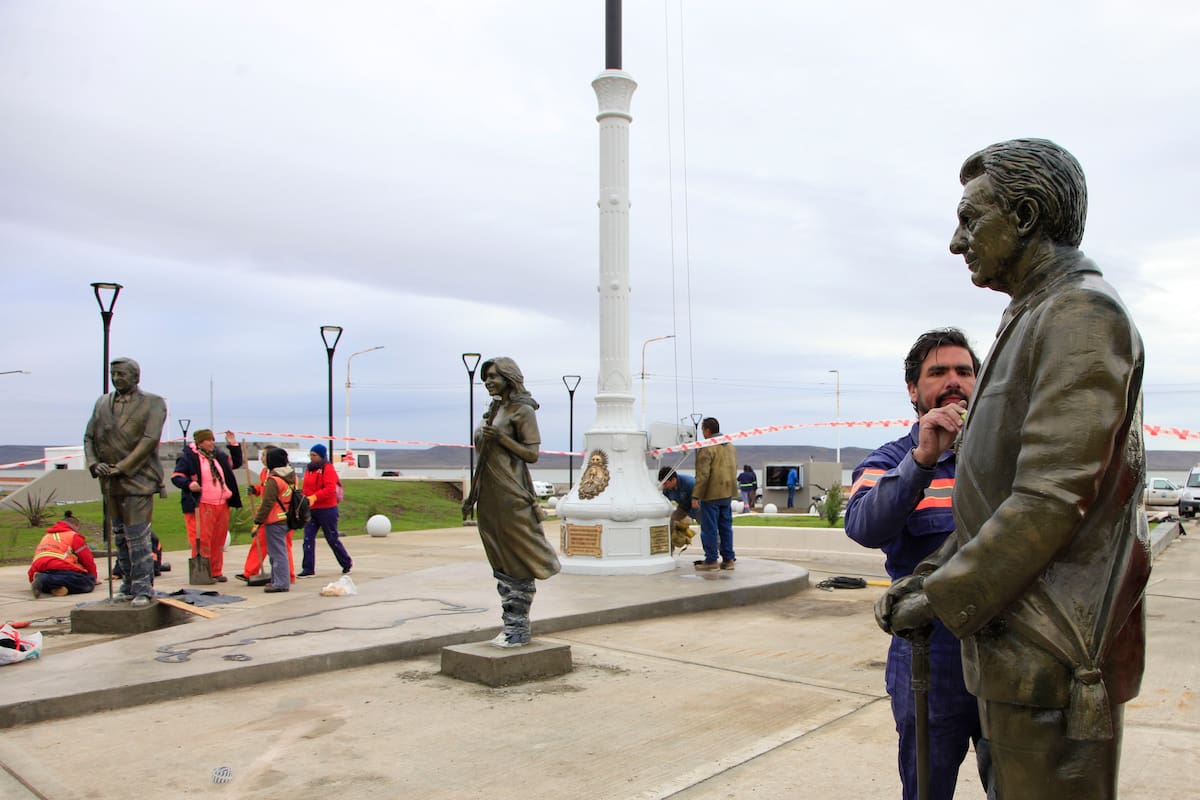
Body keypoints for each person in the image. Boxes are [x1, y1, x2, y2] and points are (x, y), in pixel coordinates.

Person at [878, 139, 1149, 800]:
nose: (956, 241)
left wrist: (942, 596)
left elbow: (1051, 497)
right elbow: (991, 497)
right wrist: (931, 571)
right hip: (1014, 653)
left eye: (972, 219)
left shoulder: (1081, 312)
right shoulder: (1032, 314)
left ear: (1025, 216)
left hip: (1053, 653)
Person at [845, 328, 987, 800]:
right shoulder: (891, 460)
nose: (954, 381)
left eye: (964, 371)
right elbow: (863, 526)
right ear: (913, 389)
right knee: (927, 788)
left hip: (1005, 650)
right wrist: (923, 459)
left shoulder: (1010, 458)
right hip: (930, 653)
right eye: (938, 372)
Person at [461, 357, 561, 647]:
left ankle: (518, 627)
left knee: (519, 556)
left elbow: (532, 455)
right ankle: (510, 624)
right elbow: (483, 460)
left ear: (509, 377)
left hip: (512, 493)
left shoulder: (522, 410)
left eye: (493, 376)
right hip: (489, 495)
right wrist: (473, 494)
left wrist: (502, 440)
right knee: (500, 557)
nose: (488, 381)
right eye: (485, 377)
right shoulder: (493, 411)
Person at [84, 357, 167, 608]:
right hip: (109, 481)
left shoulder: (153, 403)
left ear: (136, 377)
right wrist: (94, 464)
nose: (117, 378)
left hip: (138, 480)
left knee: (138, 536)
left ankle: (143, 587)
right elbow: (89, 437)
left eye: (122, 374)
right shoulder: (102, 403)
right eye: (114, 374)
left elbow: (149, 440)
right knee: (119, 535)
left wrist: (124, 467)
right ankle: (128, 584)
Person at [171, 428, 243, 583]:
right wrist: (190, 484)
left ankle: (216, 571)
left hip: (221, 503)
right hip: (201, 505)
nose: (212, 443)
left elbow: (236, 463)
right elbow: (177, 477)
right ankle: (203, 572)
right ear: (199, 442)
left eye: (212, 439)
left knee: (219, 539)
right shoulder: (188, 457)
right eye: (208, 440)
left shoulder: (219, 456)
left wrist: (233, 445)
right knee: (202, 539)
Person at [240, 446, 297, 585]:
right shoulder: (272, 474)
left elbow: (269, 499)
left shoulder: (276, 478)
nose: (262, 458)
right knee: (273, 548)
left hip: (275, 517)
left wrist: (258, 520)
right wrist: (256, 489)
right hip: (281, 516)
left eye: (265, 455)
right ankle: (253, 572)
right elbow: (265, 489)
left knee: (279, 550)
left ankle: (285, 578)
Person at [298, 443, 352, 577]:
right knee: (308, 539)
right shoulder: (309, 469)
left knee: (331, 538)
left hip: (327, 509)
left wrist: (315, 497)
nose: (311, 458)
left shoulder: (328, 469)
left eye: (314, 455)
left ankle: (346, 562)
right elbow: (306, 487)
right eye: (310, 455)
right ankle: (308, 568)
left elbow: (329, 489)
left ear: (321, 456)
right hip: (311, 509)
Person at [692, 417, 737, 571]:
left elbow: (703, 475)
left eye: (702, 430)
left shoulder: (707, 448)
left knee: (709, 528)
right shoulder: (730, 446)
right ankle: (728, 560)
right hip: (727, 492)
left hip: (711, 494)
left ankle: (711, 560)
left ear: (707, 431)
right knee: (726, 527)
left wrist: (695, 495)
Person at [29, 515, 98, 597]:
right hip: (58, 565)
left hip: (38, 568)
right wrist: (93, 577)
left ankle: (53, 586)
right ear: (76, 525)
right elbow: (87, 560)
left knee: (60, 581)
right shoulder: (73, 536)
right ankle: (45, 579)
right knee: (87, 583)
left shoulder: (47, 536)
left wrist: (32, 578)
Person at [658, 466, 697, 554]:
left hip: (698, 505)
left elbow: (697, 501)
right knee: (671, 522)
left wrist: (690, 516)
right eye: (662, 484)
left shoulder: (690, 483)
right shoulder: (667, 488)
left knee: (708, 528)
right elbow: (665, 501)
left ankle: (722, 554)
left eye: (665, 483)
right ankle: (669, 552)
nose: (664, 486)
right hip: (684, 506)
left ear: (673, 480)